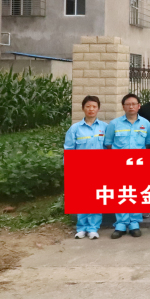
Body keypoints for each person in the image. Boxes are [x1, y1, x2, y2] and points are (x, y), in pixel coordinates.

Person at [103, 93, 150, 239]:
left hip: (138, 164)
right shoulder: (114, 124)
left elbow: (148, 143)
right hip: (120, 164)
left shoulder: (146, 124)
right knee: (122, 192)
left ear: (139, 106)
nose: (131, 107)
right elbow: (108, 143)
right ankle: (120, 224)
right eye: (128, 104)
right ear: (123, 107)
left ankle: (134, 223)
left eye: (134, 104)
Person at [64, 95, 108, 240]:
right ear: (83, 108)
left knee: (96, 198)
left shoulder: (105, 127)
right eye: (88, 106)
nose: (91, 109)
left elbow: (108, 149)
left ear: (98, 109)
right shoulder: (75, 129)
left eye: (94, 106)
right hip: (81, 169)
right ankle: (81, 228)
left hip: (100, 169)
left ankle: (93, 228)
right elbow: (69, 150)